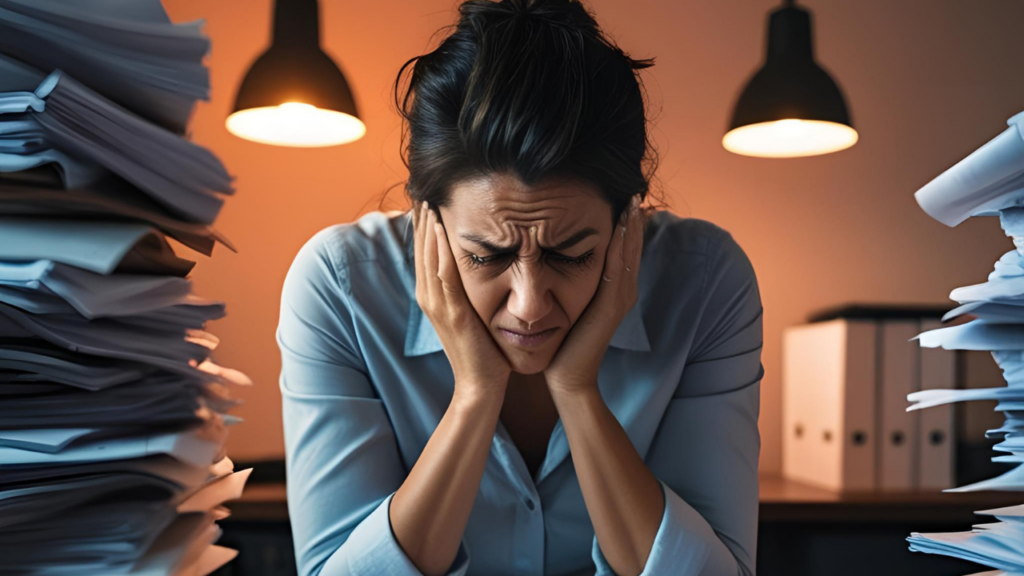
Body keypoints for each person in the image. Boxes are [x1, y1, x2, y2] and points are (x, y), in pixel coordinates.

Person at [276, 1, 764, 575]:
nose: (529, 304)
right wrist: (476, 394)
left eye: (573, 254)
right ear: (426, 219)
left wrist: (579, 392)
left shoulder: (705, 281)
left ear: (628, 220)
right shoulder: (338, 286)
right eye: (486, 255)